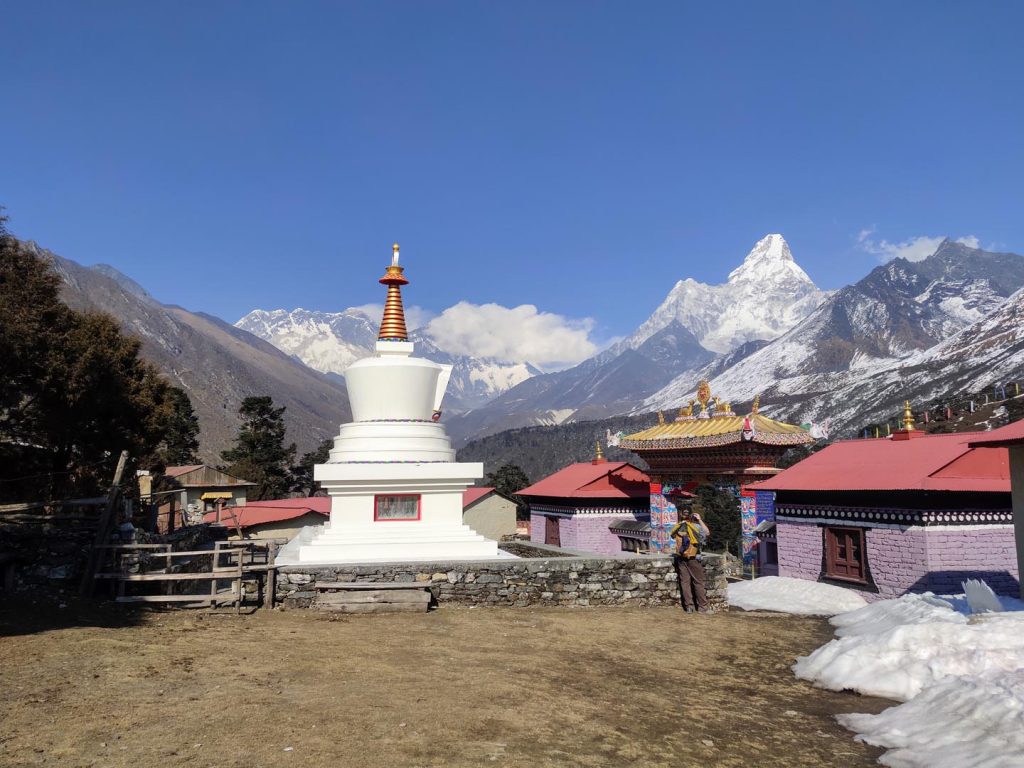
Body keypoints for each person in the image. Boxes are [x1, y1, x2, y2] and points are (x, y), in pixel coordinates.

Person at [670, 505, 711, 613]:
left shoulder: (678, 526)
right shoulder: (695, 526)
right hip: (693, 557)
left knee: (685, 582)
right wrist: (699, 519)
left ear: (680, 514)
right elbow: (707, 532)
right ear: (691, 515)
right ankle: (703, 607)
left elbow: (673, 536)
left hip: (681, 558)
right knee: (698, 582)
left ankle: (689, 606)